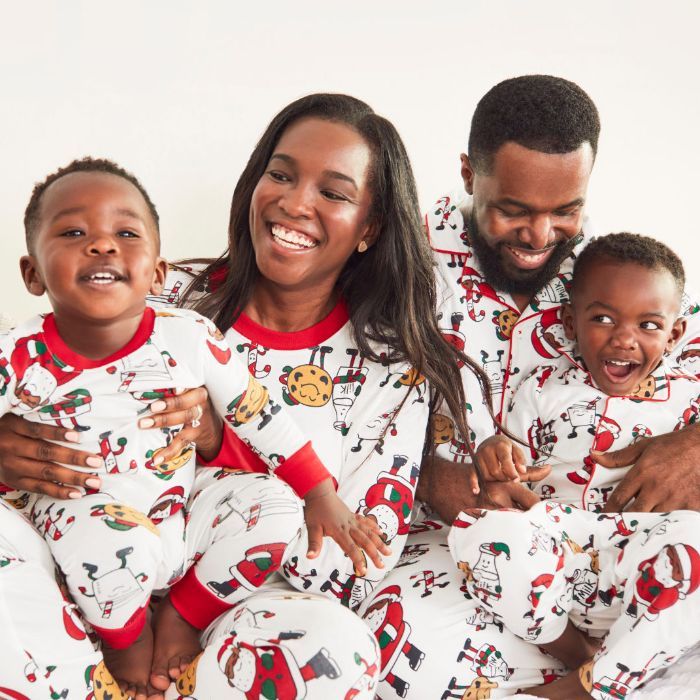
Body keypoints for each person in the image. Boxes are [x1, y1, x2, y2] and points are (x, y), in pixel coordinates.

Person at [0, 93, 482, 699]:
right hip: (84, 572)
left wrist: (217, 441)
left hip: (228, 617)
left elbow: (347, 565)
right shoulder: (157, 289)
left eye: (333, 193)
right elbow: (48, 386)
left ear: (370, 228)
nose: (295, 201)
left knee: (334, 647)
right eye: (280, 174)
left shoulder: (391, 370)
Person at [358, 75, 700, 698]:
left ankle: (597, 675)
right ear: (469, 173)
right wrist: (425, 474)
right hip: (465, 549)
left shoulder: (616, 273)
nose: (541, 237)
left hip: (609, 556)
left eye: (565, 210)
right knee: (400, 655)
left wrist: (697, 444)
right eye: (514, 210)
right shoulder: (398, 260)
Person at [450, 232, 700, 699]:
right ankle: (577, 655)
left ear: (675, 333)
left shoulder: (688, 393)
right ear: (569, 321)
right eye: (603, 318)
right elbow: (511, 465)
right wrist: (498, 462)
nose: (624, 339)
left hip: (639, 561)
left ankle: (588, 688)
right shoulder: (543, 388)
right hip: (560, 554)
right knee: (479, 531)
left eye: (648, 325)